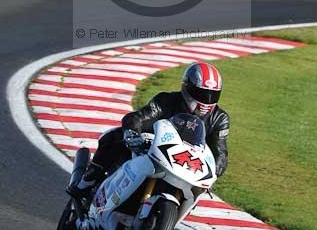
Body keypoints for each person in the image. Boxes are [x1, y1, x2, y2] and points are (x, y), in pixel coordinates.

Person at [69, 61, 229, 198]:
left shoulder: (219, 119)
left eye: (211, 96)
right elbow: (138, 117)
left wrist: (213, 173)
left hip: (185, 166)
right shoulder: (166, 101)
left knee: (198, 190)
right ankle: (89, 178)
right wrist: (131, 133)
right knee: (114, 135)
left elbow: (220, 153)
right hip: (152, 151)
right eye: (200, 93)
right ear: (186, 88)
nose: (206, 101)